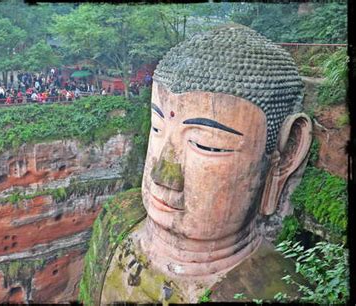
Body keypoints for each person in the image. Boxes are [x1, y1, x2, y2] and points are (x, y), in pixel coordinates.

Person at [81, 24, 313, 304]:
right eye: (156, 127)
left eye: (207, 145)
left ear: (285, 157)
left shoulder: (274, 291)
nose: (162, 175)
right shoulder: (116, 221)